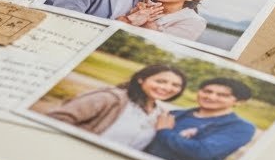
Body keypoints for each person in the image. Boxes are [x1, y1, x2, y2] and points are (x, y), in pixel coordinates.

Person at [45, 63, 188, 150]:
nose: (167, 88)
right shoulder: (109, 98)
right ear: (141, 79)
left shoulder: (162, 115)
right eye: (161, 81)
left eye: (176, 85)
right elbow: (57, 119)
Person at [145, 76, 255, 160]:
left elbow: (201, 150)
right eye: (207, 91)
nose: (211, 97)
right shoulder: (175, 114)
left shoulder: (240, 128)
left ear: (239, 102)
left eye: (222, 95)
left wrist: (165, 132)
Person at [119, 0, 207, 40]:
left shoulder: (194, 21)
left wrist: (148, 21)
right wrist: (134, 14)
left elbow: (166, 43)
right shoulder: (140, 4)